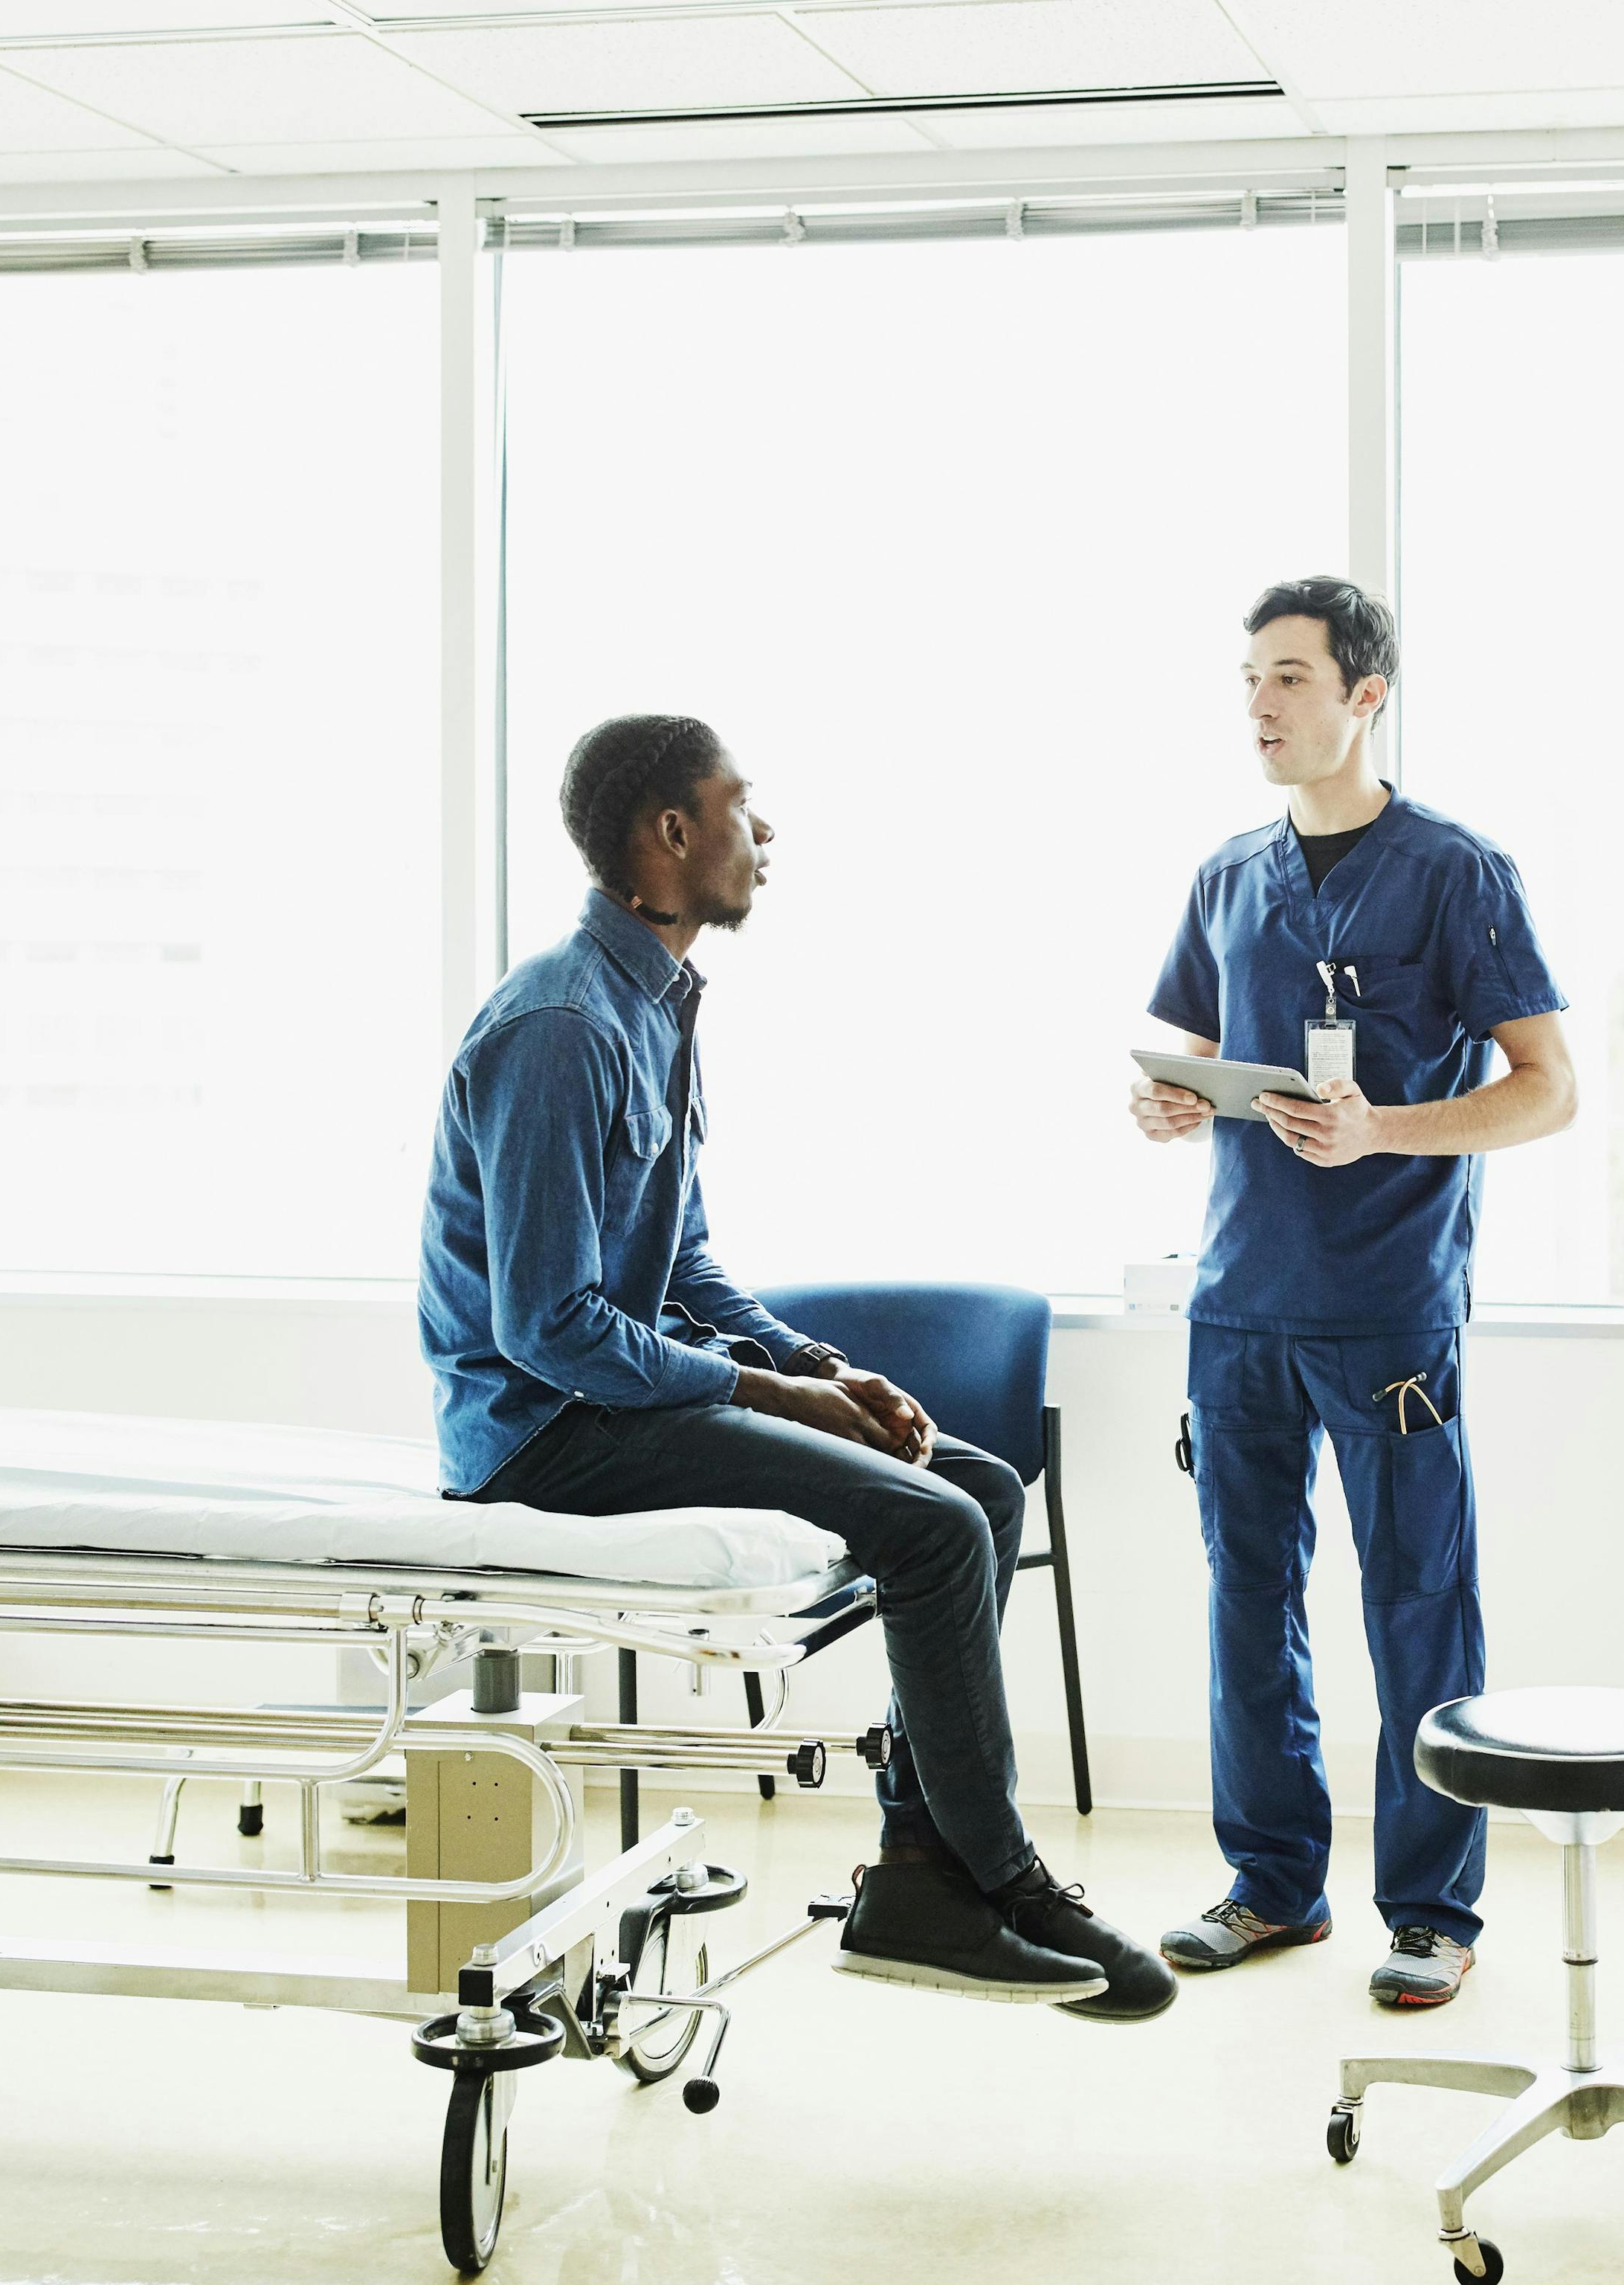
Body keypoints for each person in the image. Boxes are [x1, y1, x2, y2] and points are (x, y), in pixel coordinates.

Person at [421, 713, 1170, 2019]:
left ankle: (920, 1873)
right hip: (544, 1432)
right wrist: (773, 1395)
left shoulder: (653, 1003)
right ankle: (999, 1878)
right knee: (935, 1533)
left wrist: (821, 1365)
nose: (763, 835)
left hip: (610, 1401)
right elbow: (551, 1328)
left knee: (978, 1488)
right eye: (738, 805)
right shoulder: (560, 1026)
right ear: (669, 832)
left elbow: (686, 1268)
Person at [1130, 579, 1575, 2008]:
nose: (1261, 706)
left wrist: (1386, 1128)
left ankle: (1433, 1910)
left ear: (1365, 696)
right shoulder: (1226, 877)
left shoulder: (1457, 874)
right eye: (1249, 681)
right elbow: (1187, 1048)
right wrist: (1169, 1107)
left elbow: (1546, 1092)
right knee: (1247, 1602)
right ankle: (1272, 1886)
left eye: (1292, 679)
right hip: (1240, 1309)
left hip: (1388, 1309)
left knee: (1419, 1605)